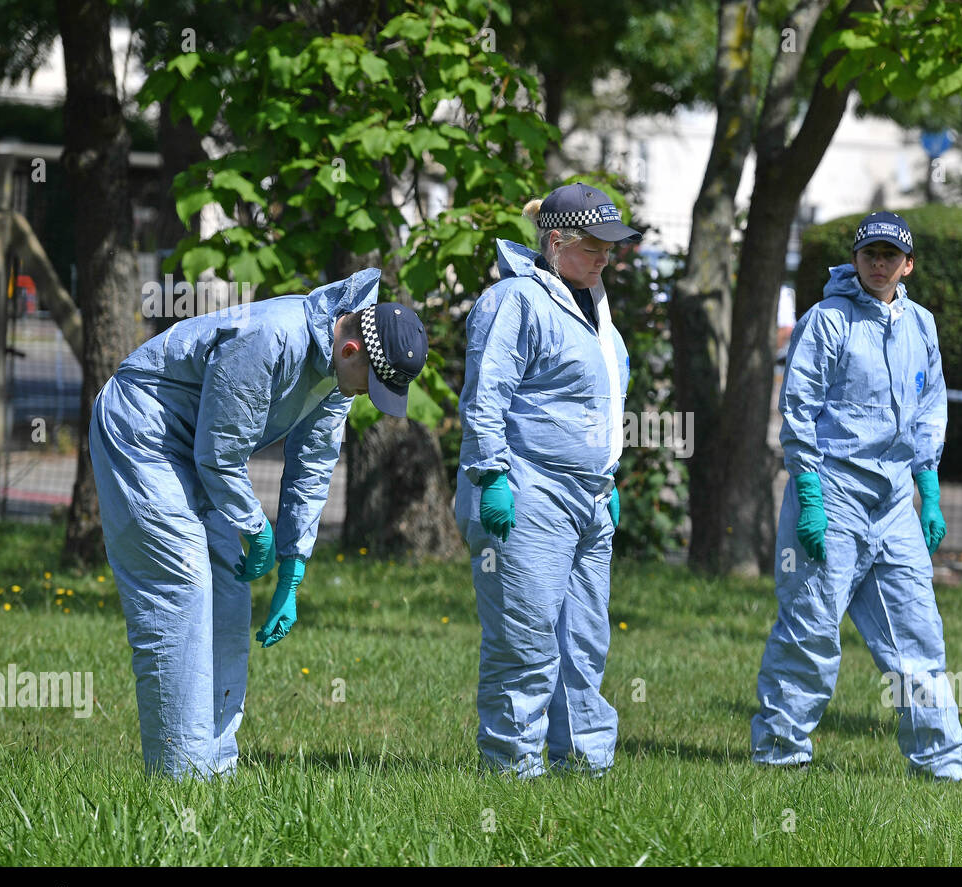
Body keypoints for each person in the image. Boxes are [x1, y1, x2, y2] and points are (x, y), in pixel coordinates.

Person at [90, 269, 428, 778]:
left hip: (200, 452)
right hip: (144, 435)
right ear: (352, 348)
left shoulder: (336, 375)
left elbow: (312, 466)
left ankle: (216, 768)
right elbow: (220, 454)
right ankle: (180, 779)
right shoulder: (271, 336)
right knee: (182, 587)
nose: (365, 395)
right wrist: (257, 528)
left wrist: (292, 564)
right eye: (371, 385)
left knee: (229, 592)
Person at [751, 211, 962, 782]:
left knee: (918, 635)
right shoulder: (827, 321)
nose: (879, 264)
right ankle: (781, 754)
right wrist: (809, 492)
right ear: (855, 259)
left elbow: (930, 409)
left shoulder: (922, 325)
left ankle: (943, 766)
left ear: (908, 264)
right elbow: (798, 410)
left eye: (890, 256)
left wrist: (928, 487)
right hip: (834, 495)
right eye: (870, 254)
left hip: (896, 502)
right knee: (811, 627)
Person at [455, 183, 640, 778]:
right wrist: (491, 477)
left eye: (612, 246)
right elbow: (486, 396)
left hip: (589, 497)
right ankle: (512, 772)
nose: (606, 256)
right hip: (528, 490)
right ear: (557, 241)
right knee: (526, 640)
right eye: (594, 245)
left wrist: (608, 483)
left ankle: (582, 764)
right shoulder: (516, 301)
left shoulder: (601, 317)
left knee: (584, 642)